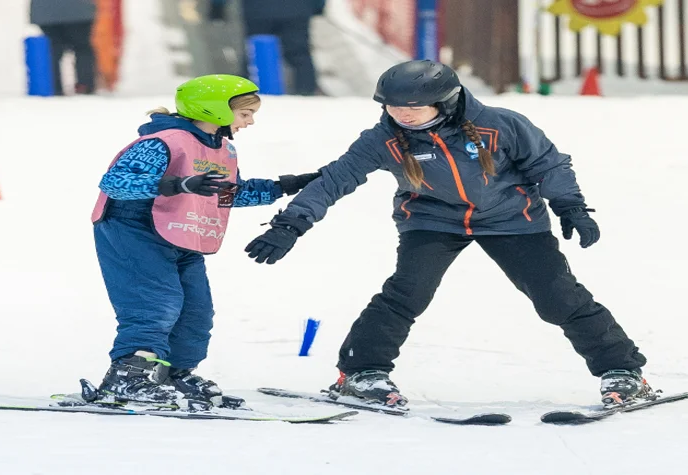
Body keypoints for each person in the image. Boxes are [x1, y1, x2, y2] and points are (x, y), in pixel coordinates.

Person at [244, 60, 652, 408]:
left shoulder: (501, 125)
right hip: (431, 219)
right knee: (408, 293)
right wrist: (290, 224)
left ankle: (621, 369)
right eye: (393, 106)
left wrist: (571, 207)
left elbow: (548, 165)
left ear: (446, 101)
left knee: (556, 294)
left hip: (512, 218)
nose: (402, 114)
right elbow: (335, 179)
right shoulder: (383, 139)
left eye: (414, 106)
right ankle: (362, 373)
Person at [84, 74, 320, 409]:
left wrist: (285, 185)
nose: (250, 122)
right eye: (245, 113)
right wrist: (177, 185)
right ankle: (128, 376)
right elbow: (116, 183)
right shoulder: (163, 142)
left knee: (197, 311)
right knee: (156, 305)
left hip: (182, 233)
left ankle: (173, 374)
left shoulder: (222, 149)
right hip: (133, 230)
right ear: (214, 109)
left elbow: (225, 195)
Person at [209, 0, 326, 96]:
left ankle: (247, 94)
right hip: (296, 9)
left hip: (258, 10)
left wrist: (217, 7)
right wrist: (318, 6)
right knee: (299, 54)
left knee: (256, 51)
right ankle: (306, 92)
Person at [30, 0, 97, 95]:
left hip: (46, 11)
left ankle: (54, 86)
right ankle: (85, 84)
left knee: (52, 49)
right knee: (82, 48)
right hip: (79, 10)